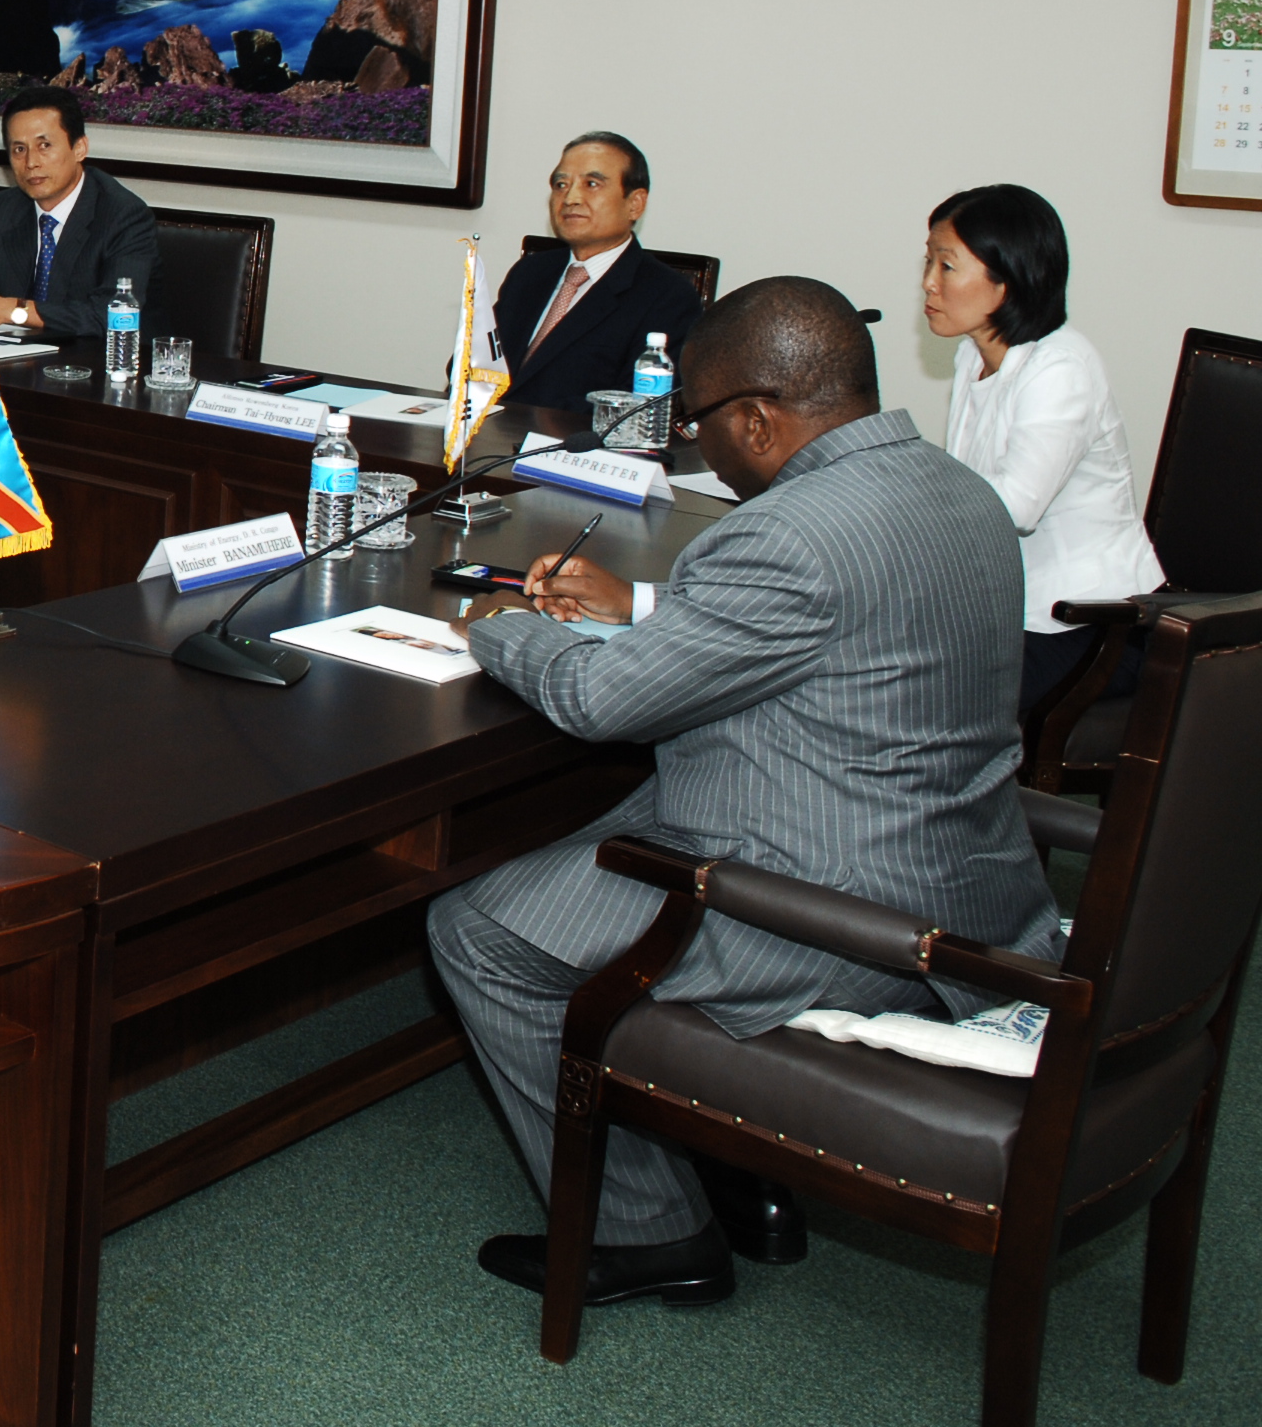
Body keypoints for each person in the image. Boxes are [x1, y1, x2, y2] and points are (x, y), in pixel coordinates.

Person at [428, 277, 1057, 1310]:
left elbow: (597, 701)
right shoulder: (960, 493)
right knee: (596, 831)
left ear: (757, 418)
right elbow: (845, 632)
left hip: (832, 914)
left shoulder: (782, 536)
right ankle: (725, 1158)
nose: (692, 441)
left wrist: (497, 628)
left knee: (478, 930)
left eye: (696, 420)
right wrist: (648, 612)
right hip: (971, 888)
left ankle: (649, 1233)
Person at [921, 184, 1164, 712]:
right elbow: (966, 487)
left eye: (946, 267)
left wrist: (912, 493)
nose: (928, 285)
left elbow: (1016, 507)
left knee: (925, 698)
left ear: (1005, 280)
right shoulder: (974, 357)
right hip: (1007, 607)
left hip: (1086, 624)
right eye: (929, 262)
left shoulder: (1061, 368)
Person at [488, 133, 703, 413]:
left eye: (591, 184)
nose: (571, 198)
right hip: (486, 440)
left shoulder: (668, 297)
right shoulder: (529, 272)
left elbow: (635, 407)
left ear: (635, 204)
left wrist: (513, 420)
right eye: (561, 185)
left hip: (567, 450)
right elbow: (473, 362)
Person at [0, 87, 155, 339]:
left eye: (44, 145)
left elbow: (112, 315)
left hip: (104, 364)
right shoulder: (1, 209)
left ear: (79, 149)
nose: (30, 162)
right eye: (19, 149)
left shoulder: (123, 215)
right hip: (21, 361)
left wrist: (10, 310)